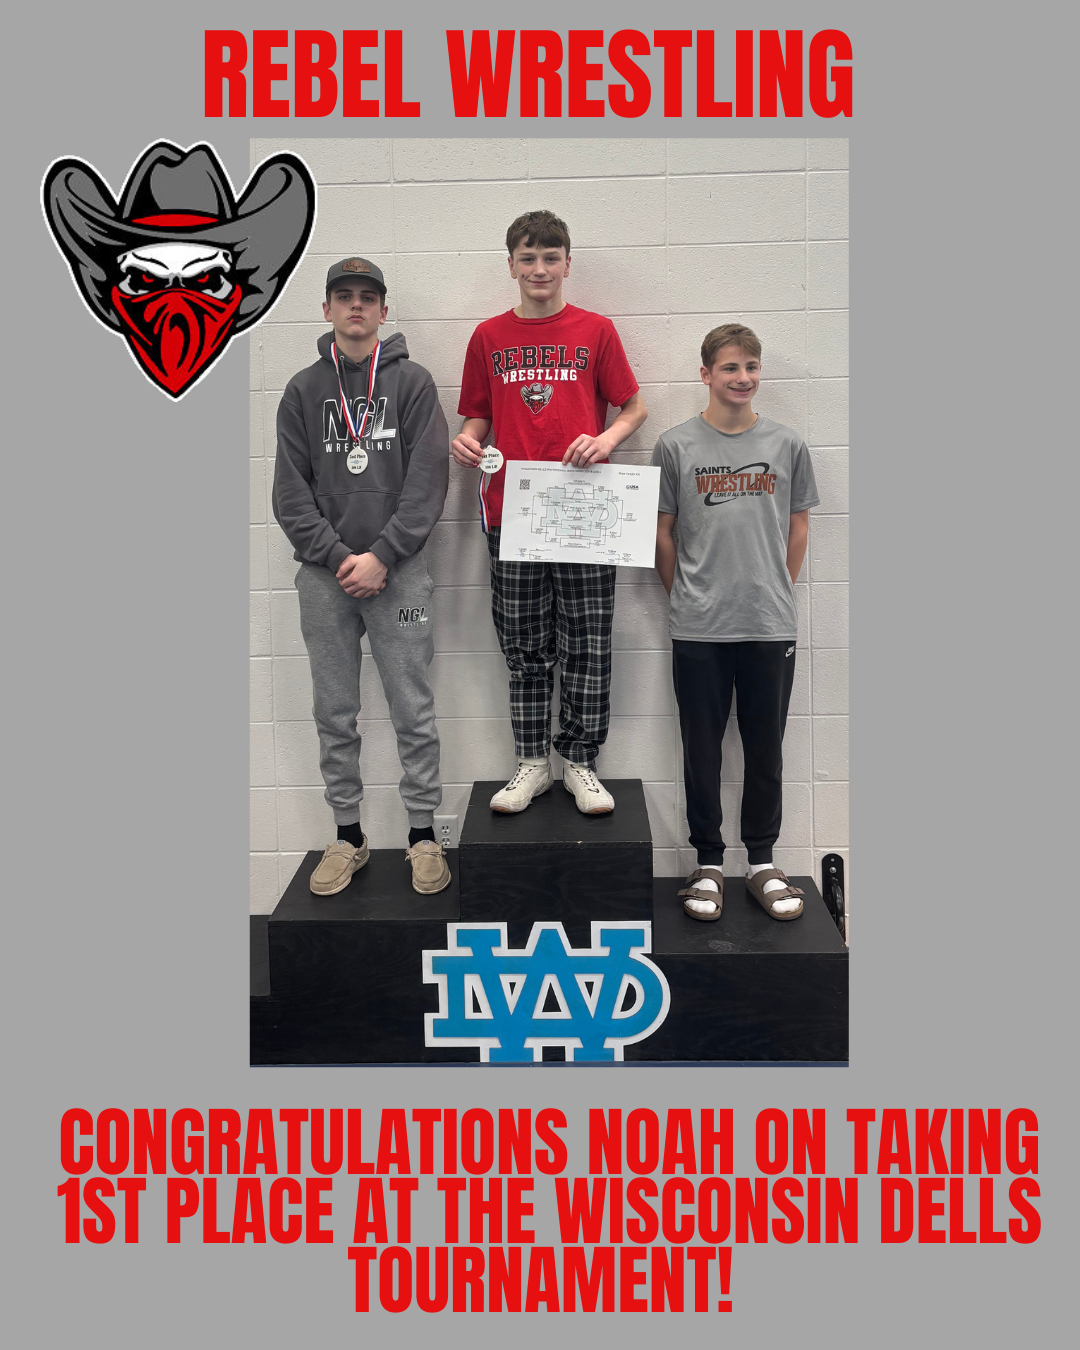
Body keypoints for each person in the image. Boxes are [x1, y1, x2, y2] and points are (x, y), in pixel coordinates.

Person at [452, 211, 647, 815]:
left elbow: (633, 407)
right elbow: (478, 415)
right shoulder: (488, 336)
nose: (540, 269)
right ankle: (532, 762)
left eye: (551, 257)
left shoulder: (596, 330)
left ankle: (580, 762)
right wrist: (467, 440)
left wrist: (606, 440)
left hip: (584, 509)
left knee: (588, 640)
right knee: (524, 643)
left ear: (567, 263)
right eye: (528, 258)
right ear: (511, 265)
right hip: (512, 510)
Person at [273, 258, 451, 896]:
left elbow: (428, 481)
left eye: (367, 297)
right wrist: (336, 556)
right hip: (325, 580)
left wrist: (383, 555)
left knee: (413, 707)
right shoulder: (302, 390)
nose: (356, 306)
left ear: (382, 310)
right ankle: (347, 836)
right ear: (326, 309)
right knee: (334, 709)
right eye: (344, 296)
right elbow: (290, 493)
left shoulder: (413, 384)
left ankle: (423, 835)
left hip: (399, 575)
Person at [653, 323, 819, 922]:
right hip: (698, 627)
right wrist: (686, 595)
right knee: (701, 749)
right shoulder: (675, 446)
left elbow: (798, 525)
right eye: (729, 367)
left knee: (764, 747)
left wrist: (775, 587)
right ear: (706, 374)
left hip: (768, 625)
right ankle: (707, 864)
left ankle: (762, 863)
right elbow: (662, 533)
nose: (742, 377)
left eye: (751, 366)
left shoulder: (787, 444)